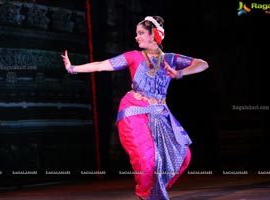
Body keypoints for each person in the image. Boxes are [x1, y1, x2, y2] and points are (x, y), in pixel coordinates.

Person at [61, 15, 209, 200]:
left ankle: (152, 193)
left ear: (154, 35)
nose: (137, 37)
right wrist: (72, 68)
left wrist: (180, 73)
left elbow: (202, 64)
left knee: (183, 155)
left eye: (141, 33)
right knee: (146, 160)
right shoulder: (133, 56)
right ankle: (144, 195)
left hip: (159, 113)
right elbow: (101, 66)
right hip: (134, 111)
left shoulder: (170, 59)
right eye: (136, 34)